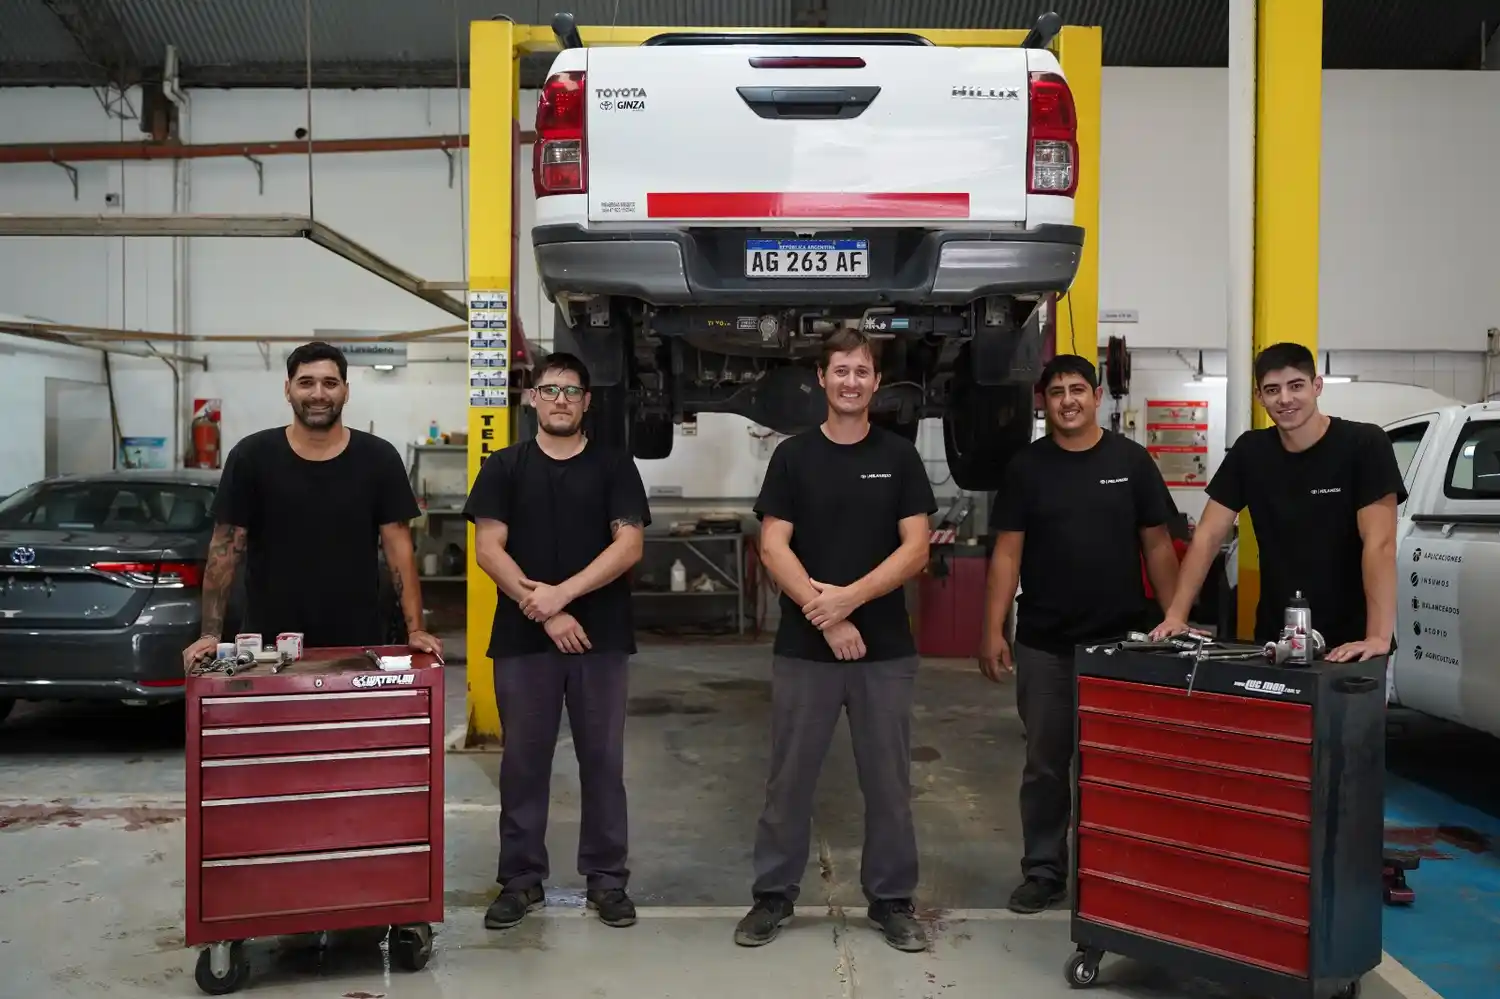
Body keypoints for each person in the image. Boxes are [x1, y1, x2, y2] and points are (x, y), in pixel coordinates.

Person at [734, 328, 937, 953]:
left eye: (862, 371)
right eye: (840, 370)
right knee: (788, 781)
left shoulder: (900, 457)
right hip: (805, 652)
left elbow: (916, 548)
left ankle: (892, 899)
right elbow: (774, 545)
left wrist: (849, 600)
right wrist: (827, 614)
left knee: (889, 783)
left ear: (876, 383)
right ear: (822, 380)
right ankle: (773, 895)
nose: (851, 381)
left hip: (885, 653)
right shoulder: (794, 457)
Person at [978, 354, 1180, 915]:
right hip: (1045, 645)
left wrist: (1177, 618)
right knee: (1046, 764)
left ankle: (1116, 871)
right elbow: (1007, 554)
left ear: (1096, 397)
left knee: (1117, 765)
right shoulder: (1027, 468)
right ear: (1043, 402)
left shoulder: (1132, 461)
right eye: (1056, 391)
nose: (1068, 399)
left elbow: (1158, 545)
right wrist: (993, 628)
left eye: (1078, 389)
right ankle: (1044, 871)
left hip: (1121, 647)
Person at [463, 351, 650, 932]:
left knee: (603, 762)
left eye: (572, 391)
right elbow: (489, 549)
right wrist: (541, 611)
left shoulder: (616, 467)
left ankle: (606, 880)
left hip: (601, 640)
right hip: (524, 640)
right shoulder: (504, 467)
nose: (561, 400)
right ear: (532, 398)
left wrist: (560, 597)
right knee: (523, 763)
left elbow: (629, 548)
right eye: (550, 390)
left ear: (587, 401)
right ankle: (520, 881)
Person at [181, 341, 441, 669]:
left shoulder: (379, 459)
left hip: (355, 644)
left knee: (348, 722)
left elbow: (399, 550)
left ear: (346, 391)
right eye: (306, 382)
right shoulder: (251, 458)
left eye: (330, 383)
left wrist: (415, 629)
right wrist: (210, 634)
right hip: (267, 647)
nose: (318, 393)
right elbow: (223, 550)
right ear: (287, 390)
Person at [1150, 342, 1404, 661]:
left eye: (1296, 386)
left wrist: (1378, 637)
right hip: (1275, 639)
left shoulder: (1364, 445)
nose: (1285, 399)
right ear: (1259, 397)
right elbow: (1207, 536)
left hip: (1352, 643)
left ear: (1317, 386)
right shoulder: (1251, 453)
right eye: (1272, 390)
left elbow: (1380, 544)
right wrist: (1176, 616)